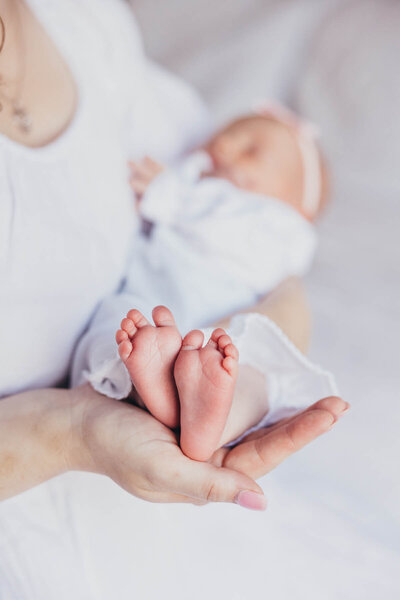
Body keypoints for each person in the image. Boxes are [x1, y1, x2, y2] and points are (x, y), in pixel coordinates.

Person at [0, 1, 348, 597]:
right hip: (139, 324)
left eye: (253, 153)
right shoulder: (195, 171)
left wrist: (254, 371)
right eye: (231, 139)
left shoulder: (83, 21)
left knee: (166, 336)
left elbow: (281, 282)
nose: (224, 151)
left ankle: (202, 394)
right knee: (119, 330)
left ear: (297, 202)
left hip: (206, 324)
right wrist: (67, 430)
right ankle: (159, 382)